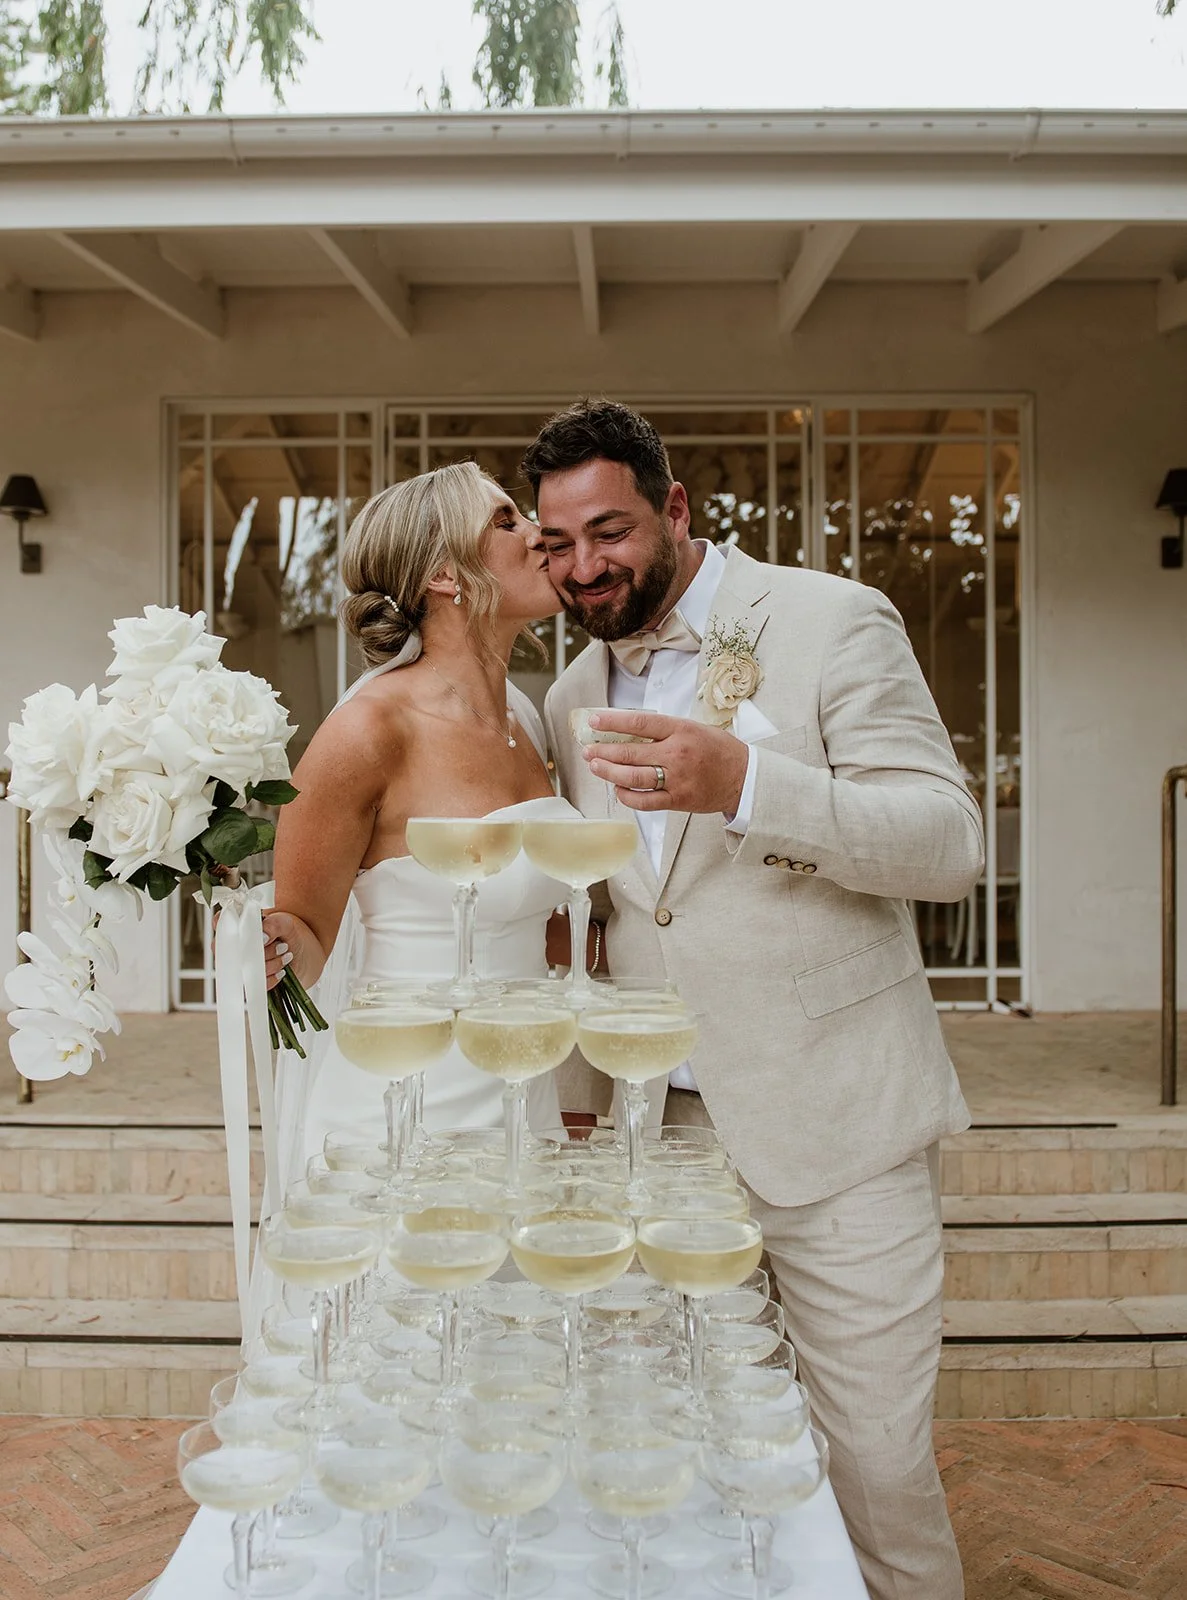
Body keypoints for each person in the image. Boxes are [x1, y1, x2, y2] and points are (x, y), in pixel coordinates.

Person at [525, 398, 983, 1600]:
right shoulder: (572, 692)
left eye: (609, 532)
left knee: (875, 1469)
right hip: (664, 1148)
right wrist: (579, 1114)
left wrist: (747, 783)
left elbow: (944, 845)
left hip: (838, 1129)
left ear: (674, 509)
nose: (584, 567)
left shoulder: (833, 619)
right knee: (705, 1469)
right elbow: (608, 915)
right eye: (557, 545)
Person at [259, 461, 575, 1173]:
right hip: (405, 1109)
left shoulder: (524, 717)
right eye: (505, 521)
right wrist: (270, 944)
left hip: (524, 1095)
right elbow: (304, 941)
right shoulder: (368, 730)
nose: (539, 533)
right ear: (442, 573)